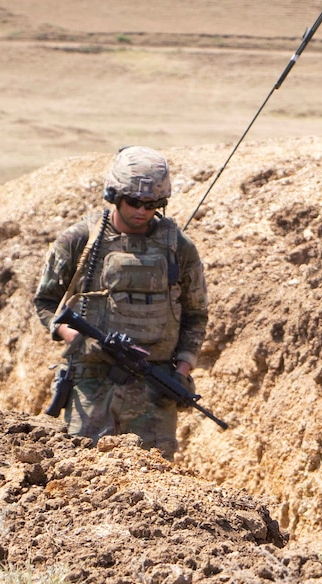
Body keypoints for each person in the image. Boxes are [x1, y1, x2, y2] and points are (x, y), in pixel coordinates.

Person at [33, 146, 209, 459]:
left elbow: (196, 316)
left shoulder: (179, 248)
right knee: (83, 473)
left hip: (154, 389)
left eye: (152, 204)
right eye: (133, 202)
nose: (142, 211)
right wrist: (79, 341)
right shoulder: (79, 240)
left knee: (154, 484)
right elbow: (46, 304)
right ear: (114, 195)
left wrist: (181, 371)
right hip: (91, 386)